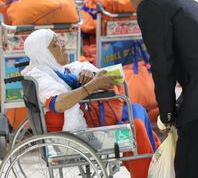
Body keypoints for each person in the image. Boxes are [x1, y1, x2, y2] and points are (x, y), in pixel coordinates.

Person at [22, 28, 160, 178]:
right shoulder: (41, 76)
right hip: (73, 134)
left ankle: (155, 165)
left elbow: (86, 73)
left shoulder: (61, 70)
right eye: (55, 44)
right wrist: (92, 85)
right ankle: (148, 172)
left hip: (89, 118)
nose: (62, 44)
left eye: (59, 40)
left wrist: (91, 76)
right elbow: (58, 103)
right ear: (44, 54)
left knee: (137, 111)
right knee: (136, 127)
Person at [123, 0, 198, 178]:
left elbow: (162, 64)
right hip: (194, 87)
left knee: (188, 164)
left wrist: (166, 114)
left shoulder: (150, 5)